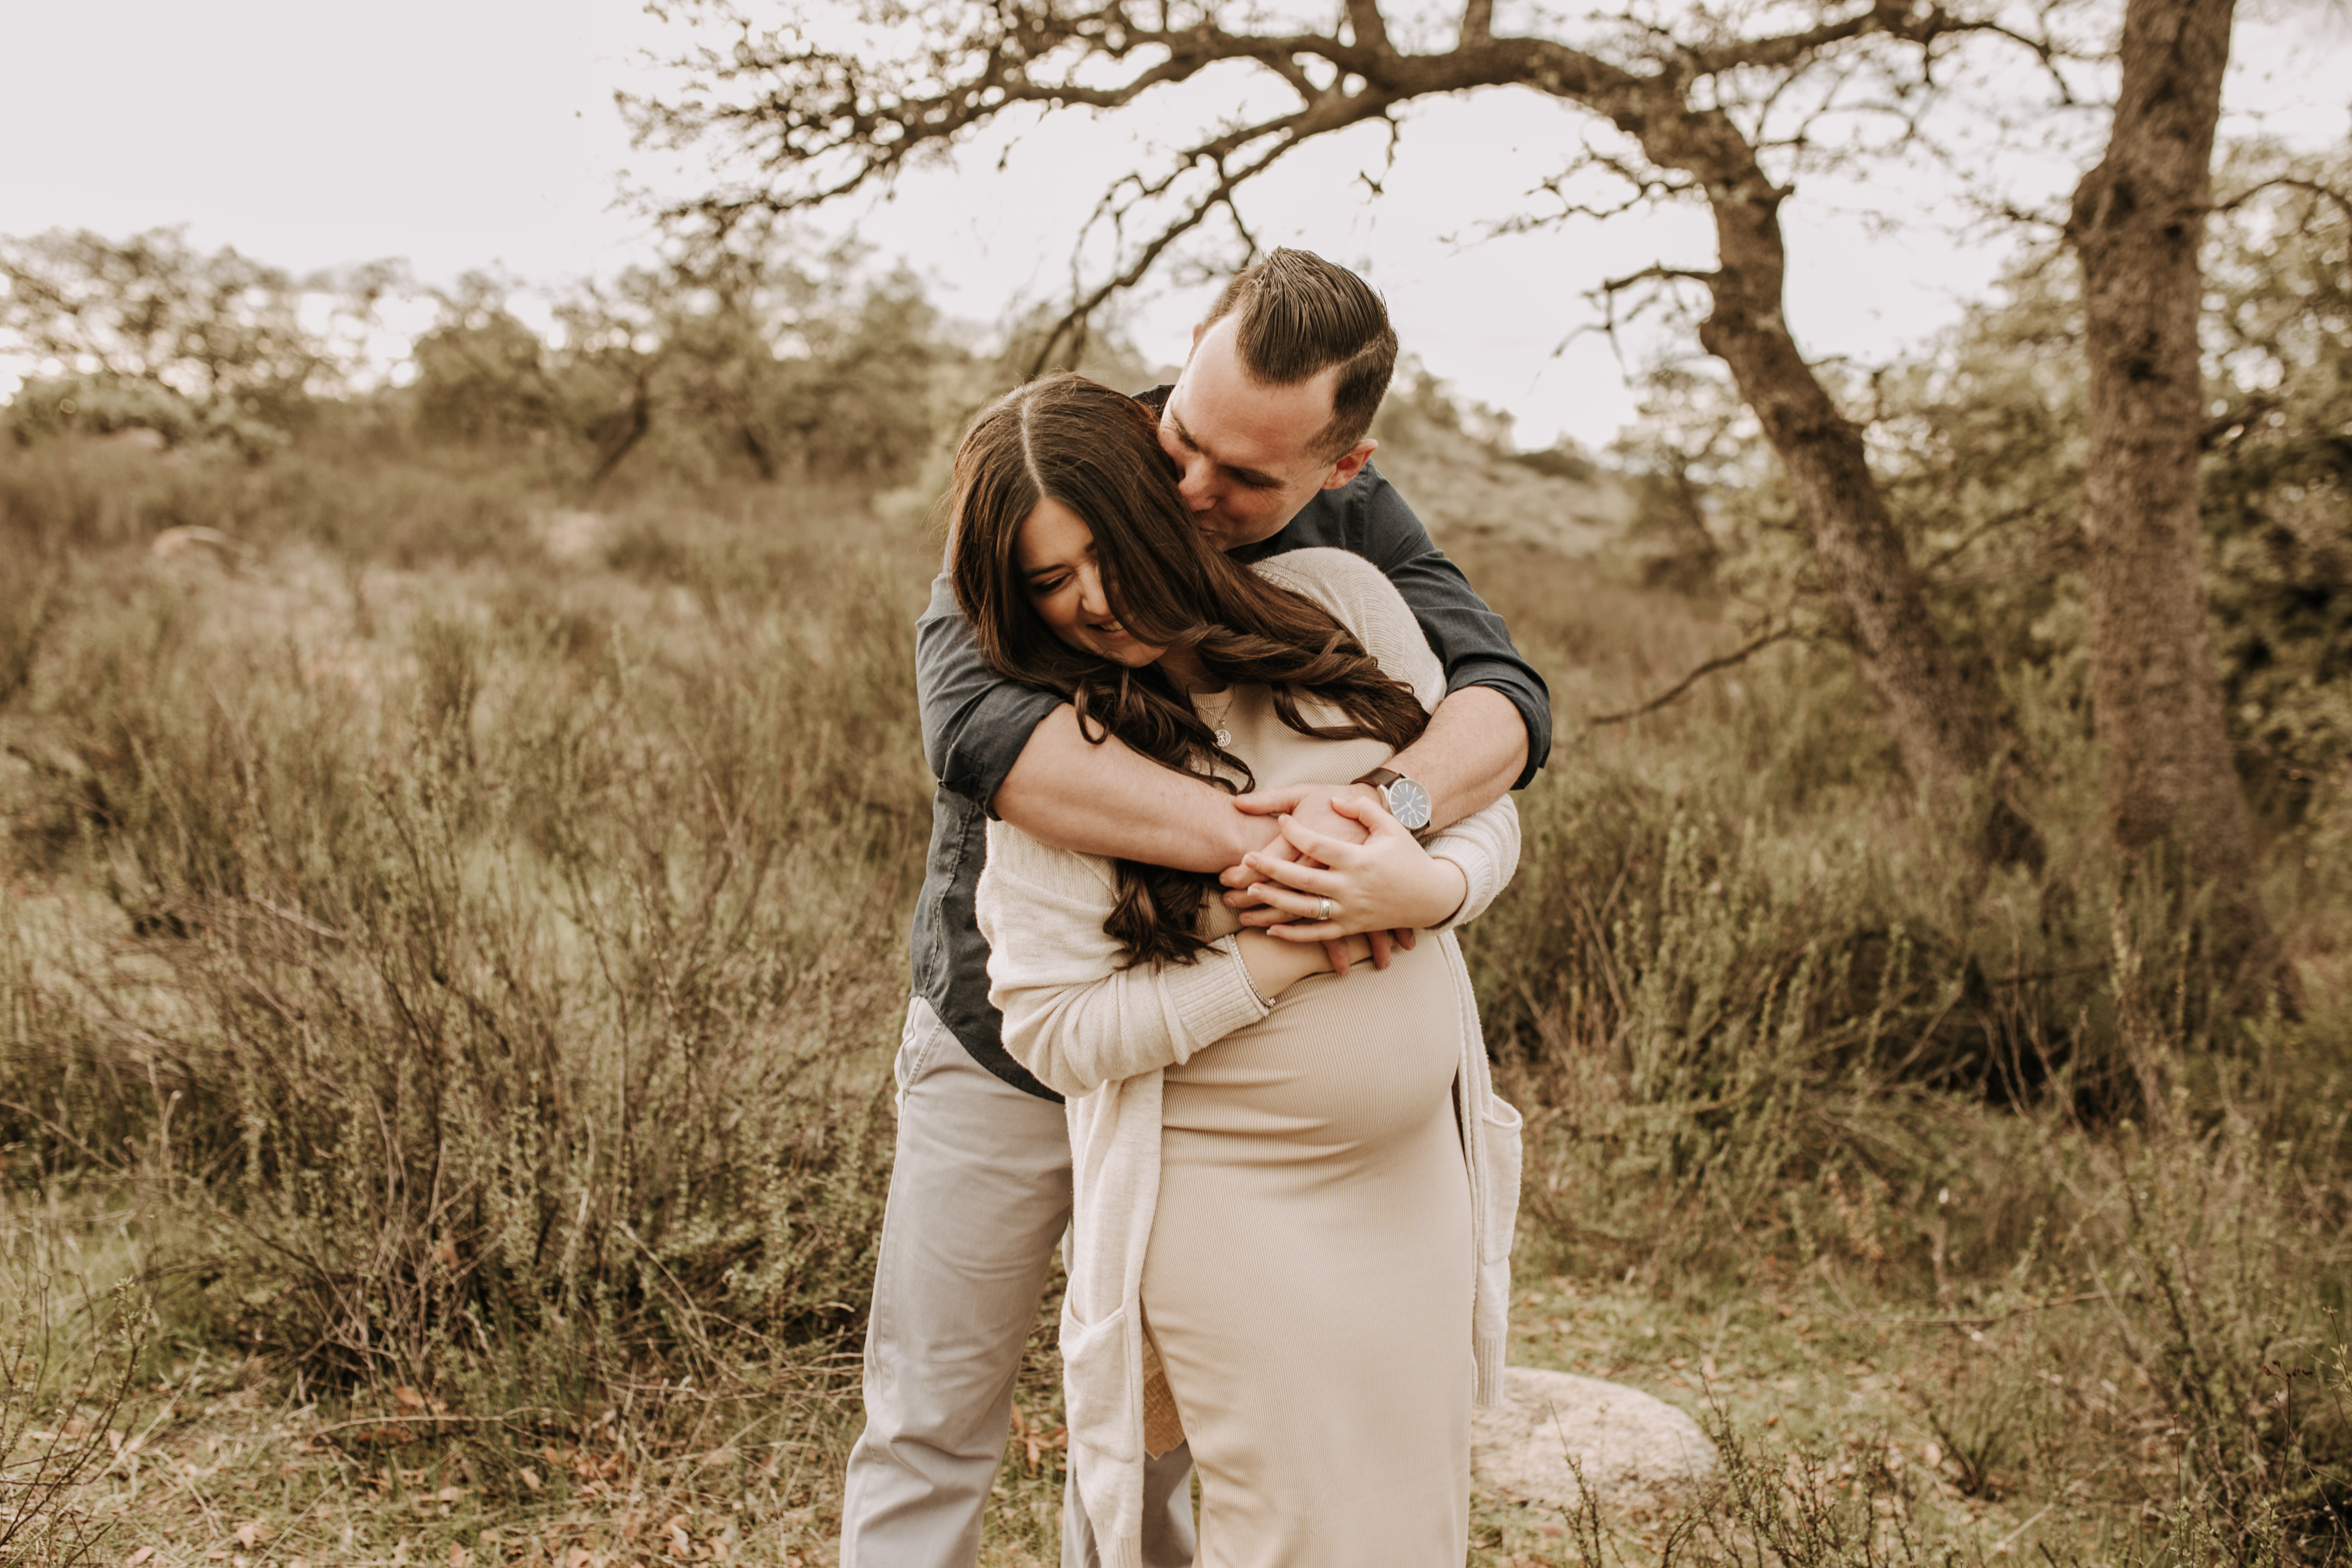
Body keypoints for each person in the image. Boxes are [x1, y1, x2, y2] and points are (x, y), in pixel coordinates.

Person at [840, 249, 1552, 1568]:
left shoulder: (1353, 540)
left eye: (1241, 479)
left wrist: (1392, 831)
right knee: (935, 1410)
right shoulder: (1061, 481)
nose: (1185, 492)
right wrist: (1283, 873)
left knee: (1153, 1437)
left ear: (1340, 469)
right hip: (1007, 1050)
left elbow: (1503, 697)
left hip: (1206, 1109)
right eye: (1181, 438)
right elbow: (987, 735)